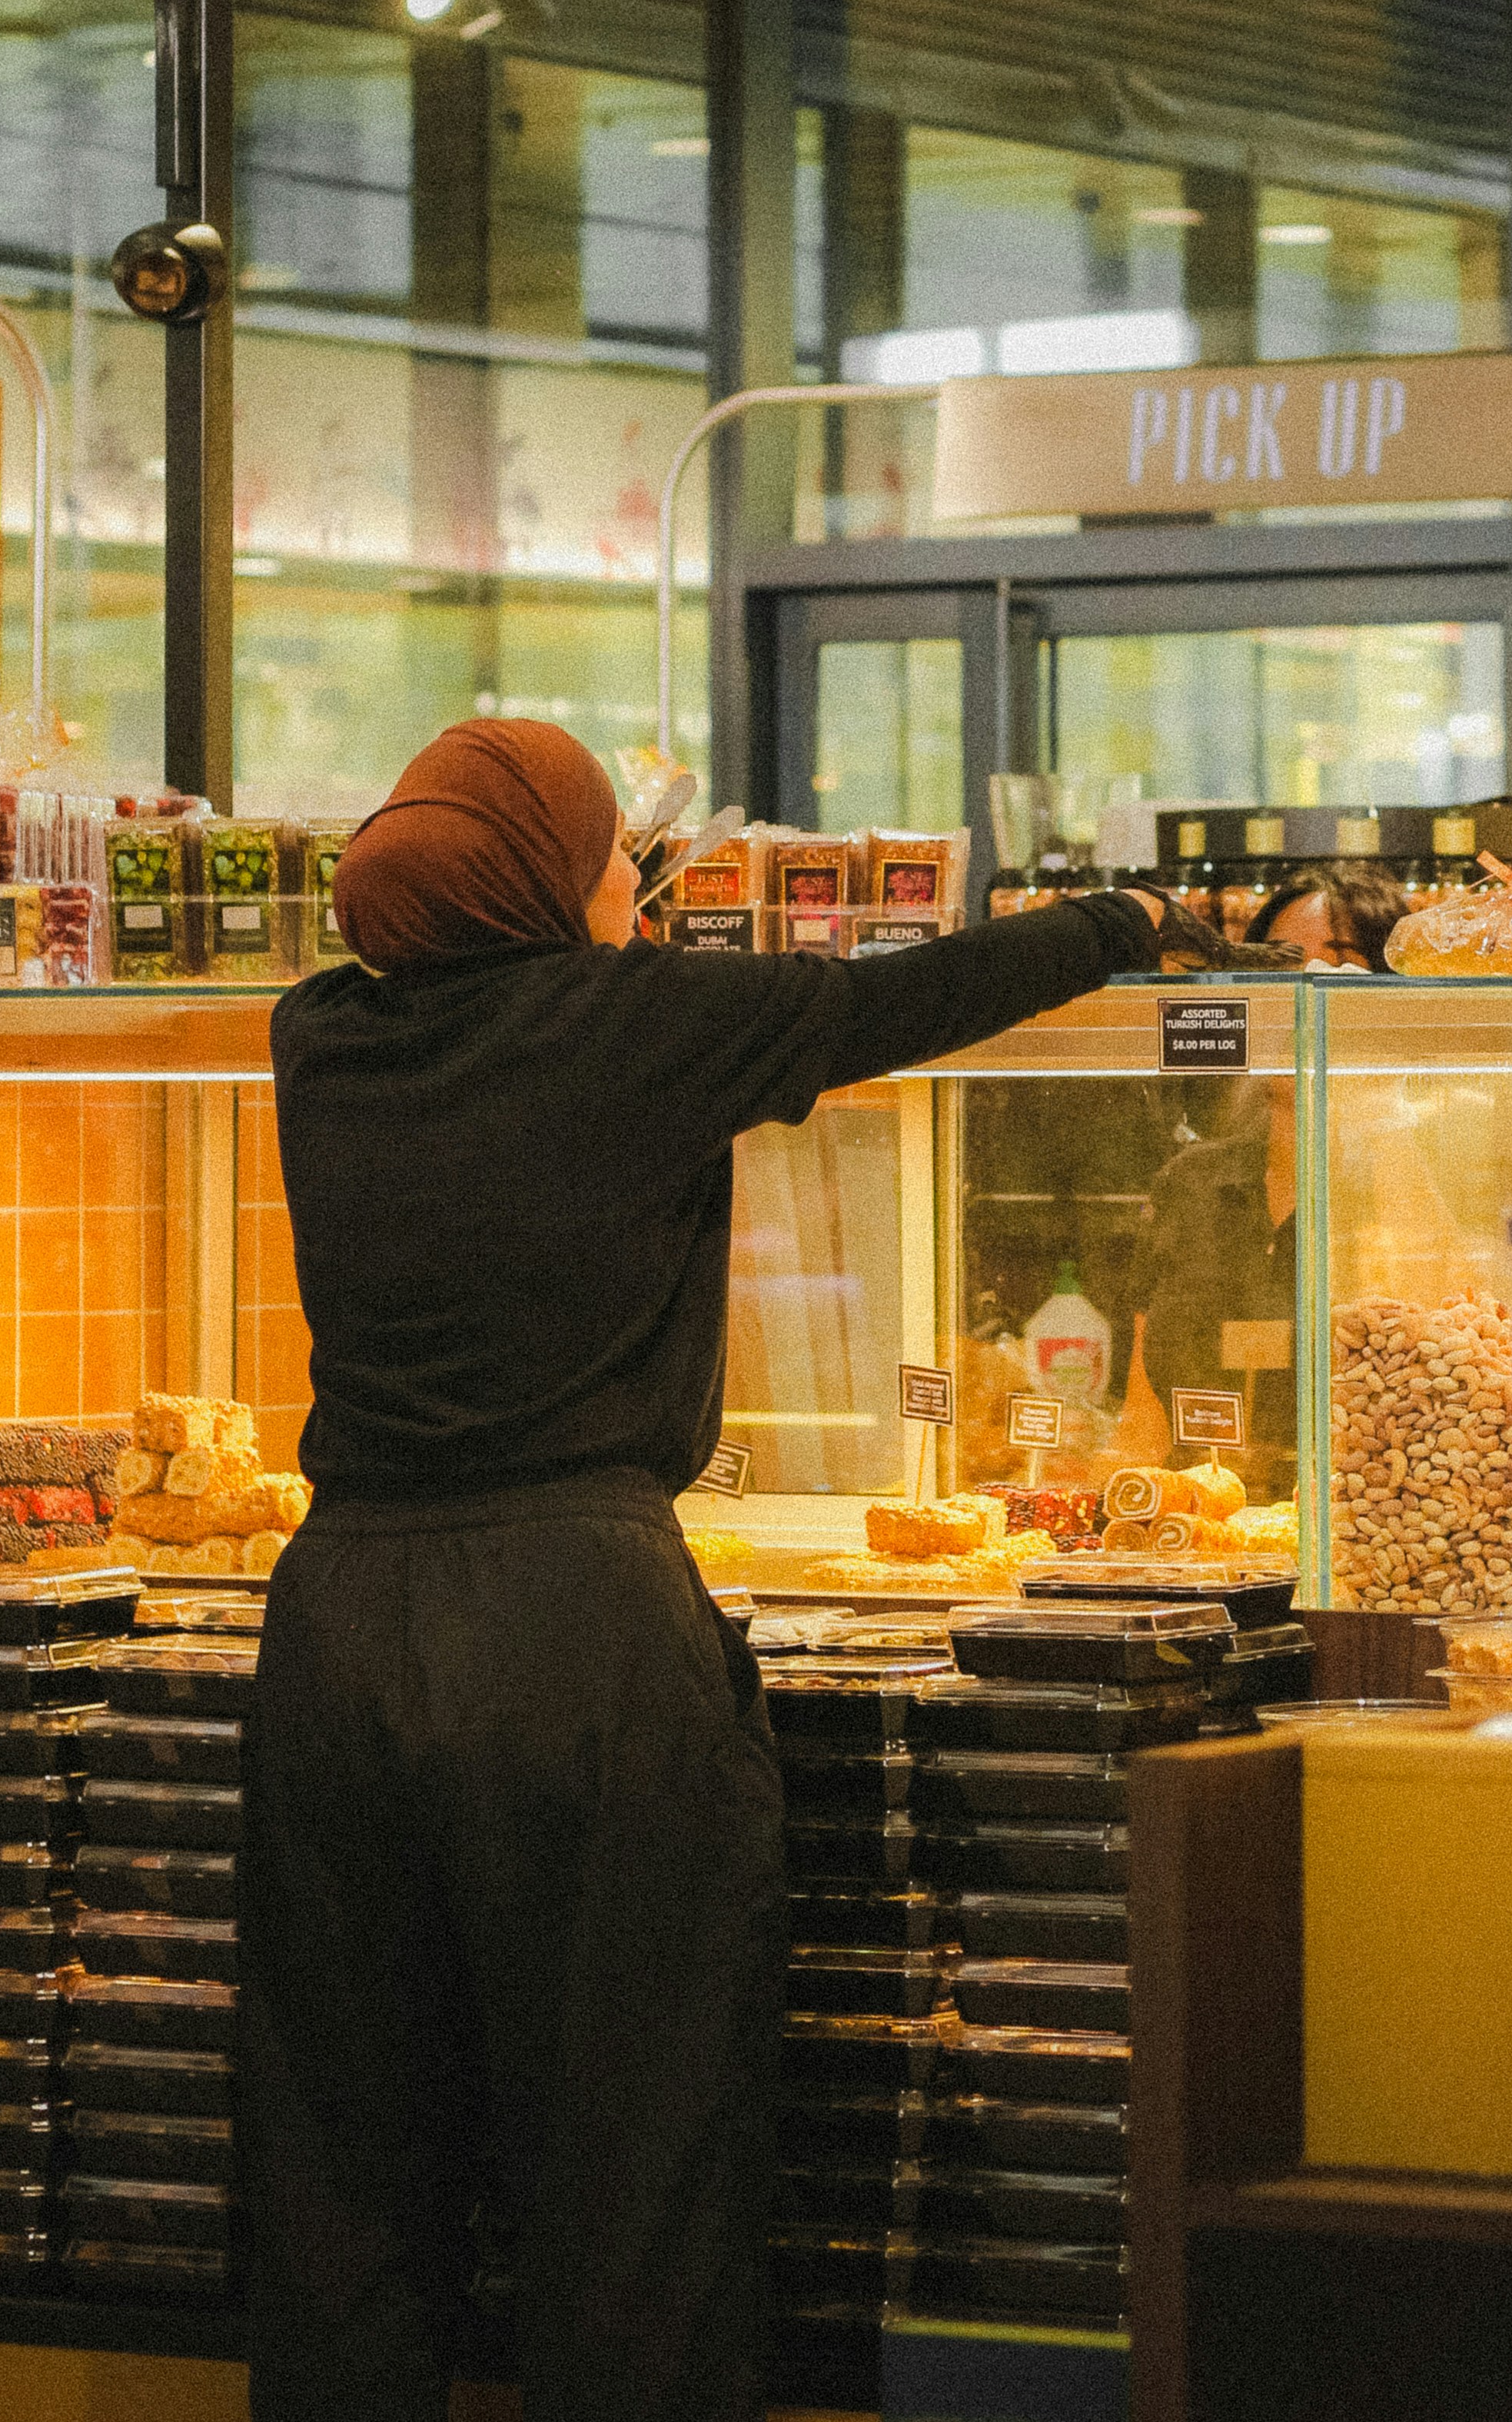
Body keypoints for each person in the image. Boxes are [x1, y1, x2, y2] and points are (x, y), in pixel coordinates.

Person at [238, 717, 1191, 2422]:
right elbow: (898, 1003)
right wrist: (1127, 928)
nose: (636, 885)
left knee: (342, 2165)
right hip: (573, 1619)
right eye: (612, 854)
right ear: (540, 877)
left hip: (338, 1619)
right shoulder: (635, 1031)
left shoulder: (322, 1038)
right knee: (629, 2155)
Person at [1115, 868, 1407, 1490]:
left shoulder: (1414, 1179)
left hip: (1371, 1532)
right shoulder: (1190, 1182)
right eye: (1281, 970)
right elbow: (1143, 1419)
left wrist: (1388, 1127)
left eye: (1338, 970)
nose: (1302, 996)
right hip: (1200, 1533)